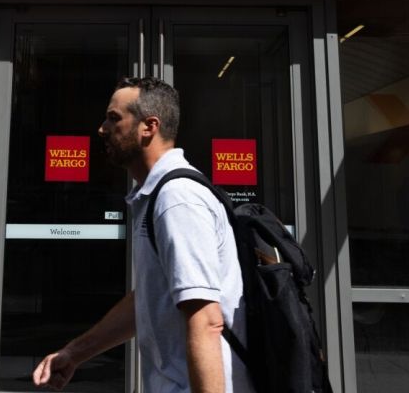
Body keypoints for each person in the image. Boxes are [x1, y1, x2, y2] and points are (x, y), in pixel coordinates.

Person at [32, 77, 254, 393]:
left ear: (149, 127)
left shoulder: (177, 199)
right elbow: (150, 298)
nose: (102, 129)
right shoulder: (157, 195)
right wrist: (75, 353)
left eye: (114, 118)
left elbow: (206, 319)